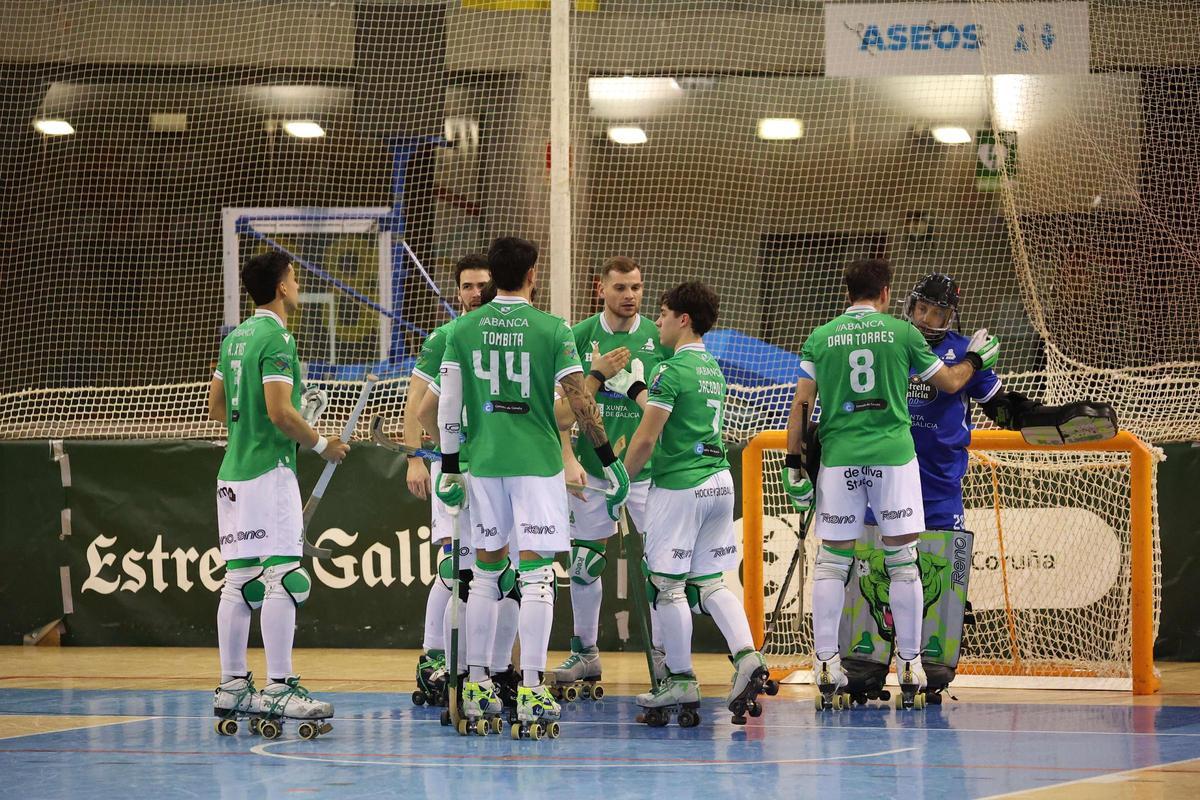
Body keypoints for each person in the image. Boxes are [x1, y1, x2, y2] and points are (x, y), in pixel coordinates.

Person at [781, 258, 998, 708]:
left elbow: (801, 406)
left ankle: (825, 663)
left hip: (840, 462)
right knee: (903, 560)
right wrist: (977, 358)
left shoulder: (820, 338)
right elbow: (953, 381)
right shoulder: (903, 335)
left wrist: (793, 466)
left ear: (847, 293)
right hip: (894, 459)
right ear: (885, 295)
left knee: (831, 565)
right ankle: (912, 664)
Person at [435, 236, 629, 738]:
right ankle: (532, 687)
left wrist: (451, 468)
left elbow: (448, 406)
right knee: (538, 577)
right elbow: (579, 400)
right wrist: (608, 459)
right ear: (533, 273)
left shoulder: (463, 328)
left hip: (485, 464)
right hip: (538, 465)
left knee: (484, 573)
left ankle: (477, 683)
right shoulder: (552, 329)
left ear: (494, 275)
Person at [609, 280, 772, 726]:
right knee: (713, 582)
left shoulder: (671, 369)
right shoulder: (712, 369)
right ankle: (746, 657)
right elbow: (672, 412)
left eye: (662, 314)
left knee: (668, 586)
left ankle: (680, 678)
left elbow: (647, 437)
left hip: (679, 487)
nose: (657, 321)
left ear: (683, 319)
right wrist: (637, 389)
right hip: (720, 483)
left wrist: (619, 476)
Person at [209, 251, 350, 733]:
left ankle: (231, 687)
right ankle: (280, 686)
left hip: (232, 472)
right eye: (294, 277)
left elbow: (216, 407)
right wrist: (320, 443)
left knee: (239, 579)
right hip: (269, 472)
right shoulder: (277, 337)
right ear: (282, 287)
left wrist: (286, 413)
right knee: (284, 577)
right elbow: (279, 413)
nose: (298, 283)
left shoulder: (235, 339)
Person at [552, 256, 672, 694]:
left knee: (660, 567)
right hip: (592, 469)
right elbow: (560, 413)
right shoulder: (577, 336)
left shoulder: (660, 338)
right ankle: (586, 652)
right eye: (621, 288)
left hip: (646, 472)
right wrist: (569, 459)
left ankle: (665, 658)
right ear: (600, 288)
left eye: (637, 288)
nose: (630, 296)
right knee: (584, 563)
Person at [403, 254, 516, 707]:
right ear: (458, 292)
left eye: (482, 284)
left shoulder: (508, 338)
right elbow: (418, 406)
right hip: (456, 468)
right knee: (458, 571)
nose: (475, 293)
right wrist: (419, 456)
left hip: (498, 468)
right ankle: (436, 659)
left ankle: (493, 667)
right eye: (467, 286)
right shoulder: (445, 338)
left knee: (503, 575)